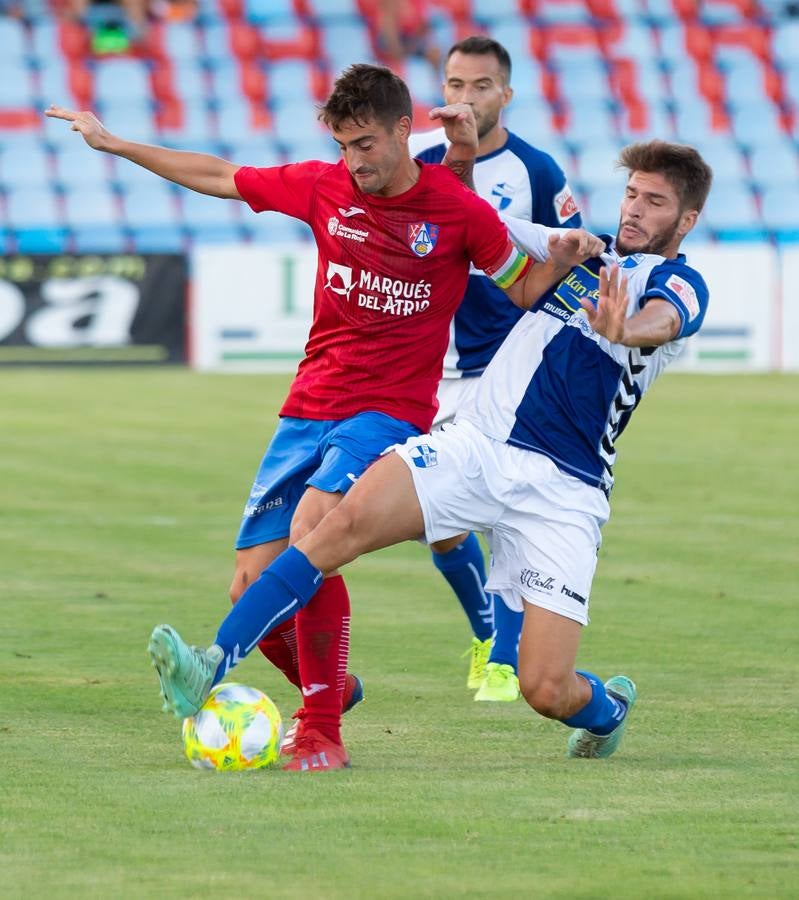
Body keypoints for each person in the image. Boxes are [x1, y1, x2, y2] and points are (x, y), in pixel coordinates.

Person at [46, 66, 600, 772]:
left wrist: (558, 260)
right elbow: (220, 175)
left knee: (313, 531)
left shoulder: (456, 211)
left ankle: (317, 730)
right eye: (343, 145)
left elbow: (520, 288)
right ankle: (334, 688)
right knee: (253, 582)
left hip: (388, 411)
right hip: (307, 405)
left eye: (366, 143)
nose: (355, 162)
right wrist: (117, 144)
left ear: (405, 130)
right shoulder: (323, 185)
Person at [147, 138, 713, 765]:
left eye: (654, 202)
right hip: (477, 446)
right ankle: (211, 661)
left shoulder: (678, 282)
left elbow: (669, 318)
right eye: (632, 193)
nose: (634, 209)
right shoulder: (581, 254)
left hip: (565, 488)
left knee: (546, 689)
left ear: (685, 220)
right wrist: (464, 155)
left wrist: (627, 329)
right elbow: (461, 212)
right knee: (338, 525)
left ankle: (608, 710)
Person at [408, 35, 583, 703]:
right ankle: (489, 634)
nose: (465, 97)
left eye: (480, 86)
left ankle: (505, 660)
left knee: (503, 518)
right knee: (442, 527)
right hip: (428, 367)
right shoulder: (422, 164)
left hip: (504, 368)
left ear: (504, 94)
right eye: (454, 84)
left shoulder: (535, 171)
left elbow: (572, 258)